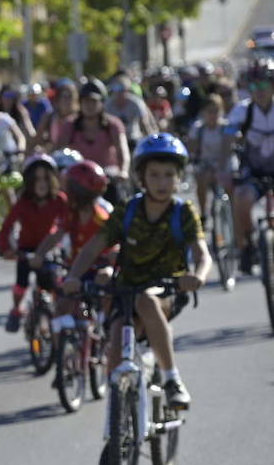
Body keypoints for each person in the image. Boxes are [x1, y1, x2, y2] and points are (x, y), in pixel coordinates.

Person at [63, 134, 210, 435]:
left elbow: (202, 253)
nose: (162, 182)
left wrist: (198, 275)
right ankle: (115, 431)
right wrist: (73, 276)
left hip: (167, 290)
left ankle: (171, 378)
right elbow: (93, 246)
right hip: (125, 291)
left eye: (168, 175)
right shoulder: (128, 210)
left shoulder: (183, 212)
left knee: (146, 300)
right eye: (154, 175)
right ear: (141, 177)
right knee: (116, 351)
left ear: (178, 178)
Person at [32, 160, 116, 336]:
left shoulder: (101, 219)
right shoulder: (72, 215)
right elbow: (56, 234)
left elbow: (113, 249)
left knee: (106, 280)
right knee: (61, 307)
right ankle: (60, 349)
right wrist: (39, 253)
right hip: (76, 270)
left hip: (98, 270)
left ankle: (103, 324)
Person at [0, 153, 70, 332]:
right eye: (36, 179)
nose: (41, 183)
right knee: (21, 284)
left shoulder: (59, 200)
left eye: (46, 178)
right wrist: (5, 249)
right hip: (26, 249)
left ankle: (54, 316)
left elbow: (67, 224)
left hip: (50, 249)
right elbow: (7, 226)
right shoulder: (23, 203)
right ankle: (16, 309)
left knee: (52, 283)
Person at [224, 59, 274, 273]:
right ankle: (248, 245)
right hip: (254, 171)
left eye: (264, 85)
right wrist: (226, 165)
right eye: (254, 86)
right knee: (242, 198)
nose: (259, 91)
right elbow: (228, 138)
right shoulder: (242, 111)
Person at [57, 78, 130, 206]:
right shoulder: (70, 125)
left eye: (94, 101)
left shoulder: (113, 125)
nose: (89, 105)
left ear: (102, 103)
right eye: (86, 101)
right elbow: (58, 151)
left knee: (116, 204)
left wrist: (123, 171)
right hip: (78, 180)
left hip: (107, 180)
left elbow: (122, 150)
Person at [185, 96, 230, 225]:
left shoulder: (226, 127)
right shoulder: (198, 128)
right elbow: (191, 148)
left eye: (216, 111)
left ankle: (231, 212)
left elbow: (230, 148)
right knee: (201, 179)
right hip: (204, 162)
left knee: (230, 182)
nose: (213, 115)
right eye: (210, 111)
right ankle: (203, 213)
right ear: (203, 112)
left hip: (223, 162)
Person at [106, 77, 158, 149]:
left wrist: (152, 143)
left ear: (127, 90)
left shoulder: (136, 103)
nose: (118, 92)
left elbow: (145, 124)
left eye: (121, 89)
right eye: (115, 88)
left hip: (133, 139)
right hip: (114, 140)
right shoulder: (108, 104)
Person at [32, 77, 78, 150]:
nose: (68, 100)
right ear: (58, 98)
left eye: (70, 96)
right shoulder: (49, 117)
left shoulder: (79, 117)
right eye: (65, 97)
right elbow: (37, 140)